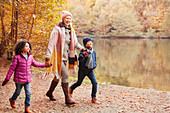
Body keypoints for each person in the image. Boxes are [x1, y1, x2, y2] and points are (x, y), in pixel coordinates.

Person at [45, 11, 86, 105]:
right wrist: (48, 57)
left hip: (66, 58)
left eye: (70, 19)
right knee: (66, 75)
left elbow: (75, 43)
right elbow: (51, 43)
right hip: (57, 57)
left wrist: (82, 49)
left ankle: (49, 92)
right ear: (63, 19)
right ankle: (67, 98)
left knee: (57, 77)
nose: (68, 20)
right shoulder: (57, 29)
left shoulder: (71, 30)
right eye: (67, 18)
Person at [1, 40, 49, 113]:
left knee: (28, 93)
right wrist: (7, 78)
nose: (28, 47)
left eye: (29, 46)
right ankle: (12, 99)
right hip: (19, 79)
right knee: (17, 92)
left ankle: (27, 108)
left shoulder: (30, 57)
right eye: (26, 46)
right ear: (21, 48)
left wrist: (45, 64)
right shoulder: (17, 57)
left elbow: (36, 64)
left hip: (27, 79)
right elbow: (12, 68)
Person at [69, 37, 98, 103]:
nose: (90, 43)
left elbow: (94, 60)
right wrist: (84, 56)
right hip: (83, 70)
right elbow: (80, 59)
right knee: (79, 83)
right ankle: (71, 88)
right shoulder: (83, 51)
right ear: (85, 44)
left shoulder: (93, 52)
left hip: (90, 70)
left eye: (91, 41)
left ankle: (94, 98)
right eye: (88, 42)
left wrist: (94, 66)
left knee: (95, 83)